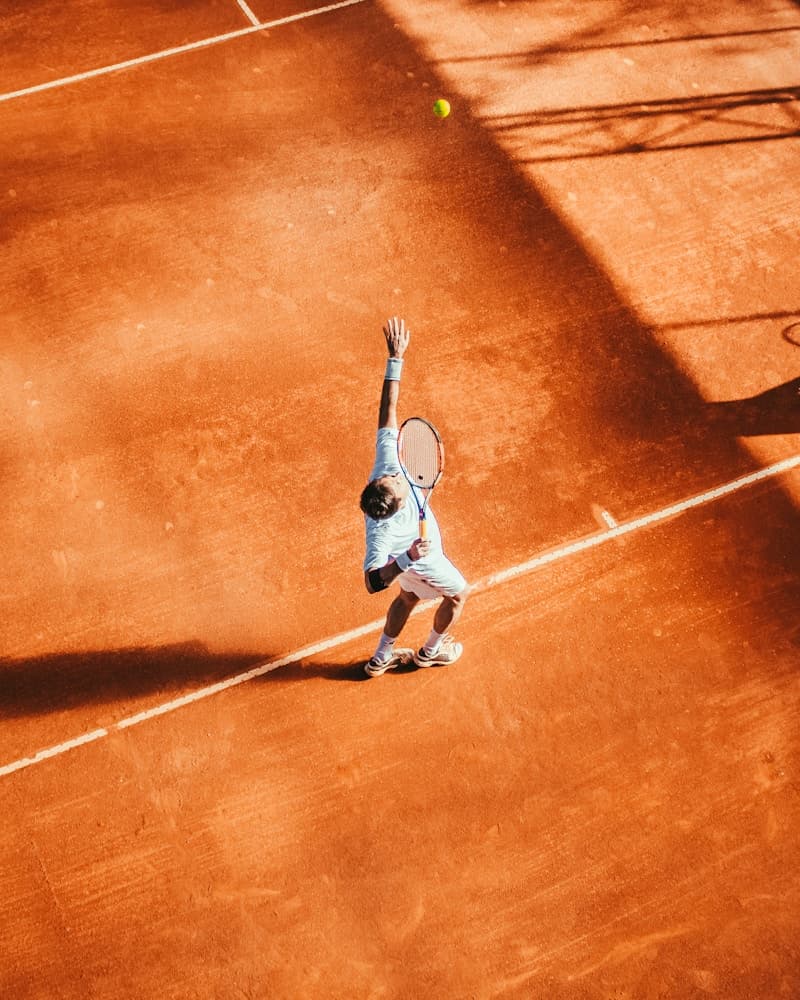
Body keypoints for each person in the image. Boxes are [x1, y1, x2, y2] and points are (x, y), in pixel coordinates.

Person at [360, 317, 469, 678]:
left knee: (407, 597)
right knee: (458, 595)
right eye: (397, 483)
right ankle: (430, 652)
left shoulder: (385, 468)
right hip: (422, 561)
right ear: (397, 506)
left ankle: (380, 658)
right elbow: (373, 582)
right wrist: (408, 559)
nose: (397, 475)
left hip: (410, 564)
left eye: (391, 476)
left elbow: (386, 413)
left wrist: (396, 358)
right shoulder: (382, 534)